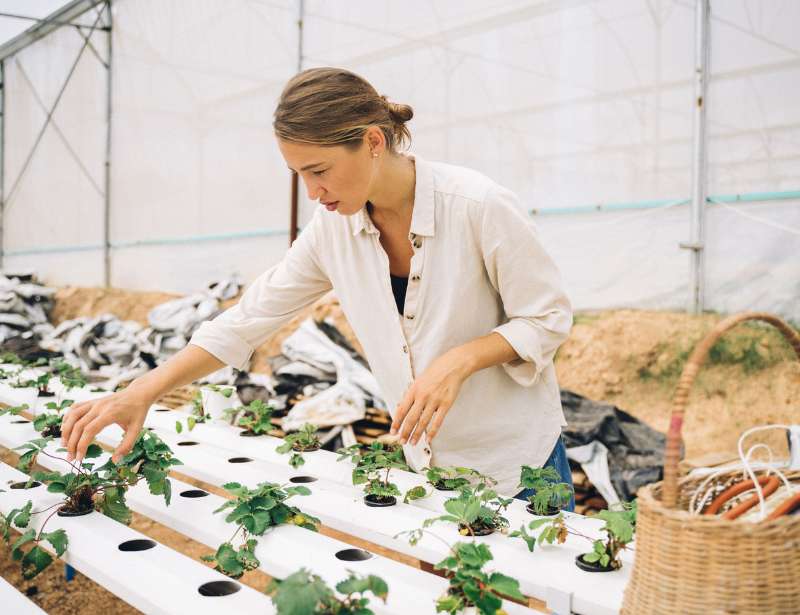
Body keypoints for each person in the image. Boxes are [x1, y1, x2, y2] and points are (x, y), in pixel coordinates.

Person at [61, 67, 574, 505]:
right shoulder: (333, 230)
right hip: (430, 471)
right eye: (298, 174)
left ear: (374, 142)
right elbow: (245, 321)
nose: (313, 191)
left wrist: (459, 360)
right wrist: (141, 392)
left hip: (518, 466)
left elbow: (547, 318)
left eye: (320, 170)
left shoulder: (479, 207)